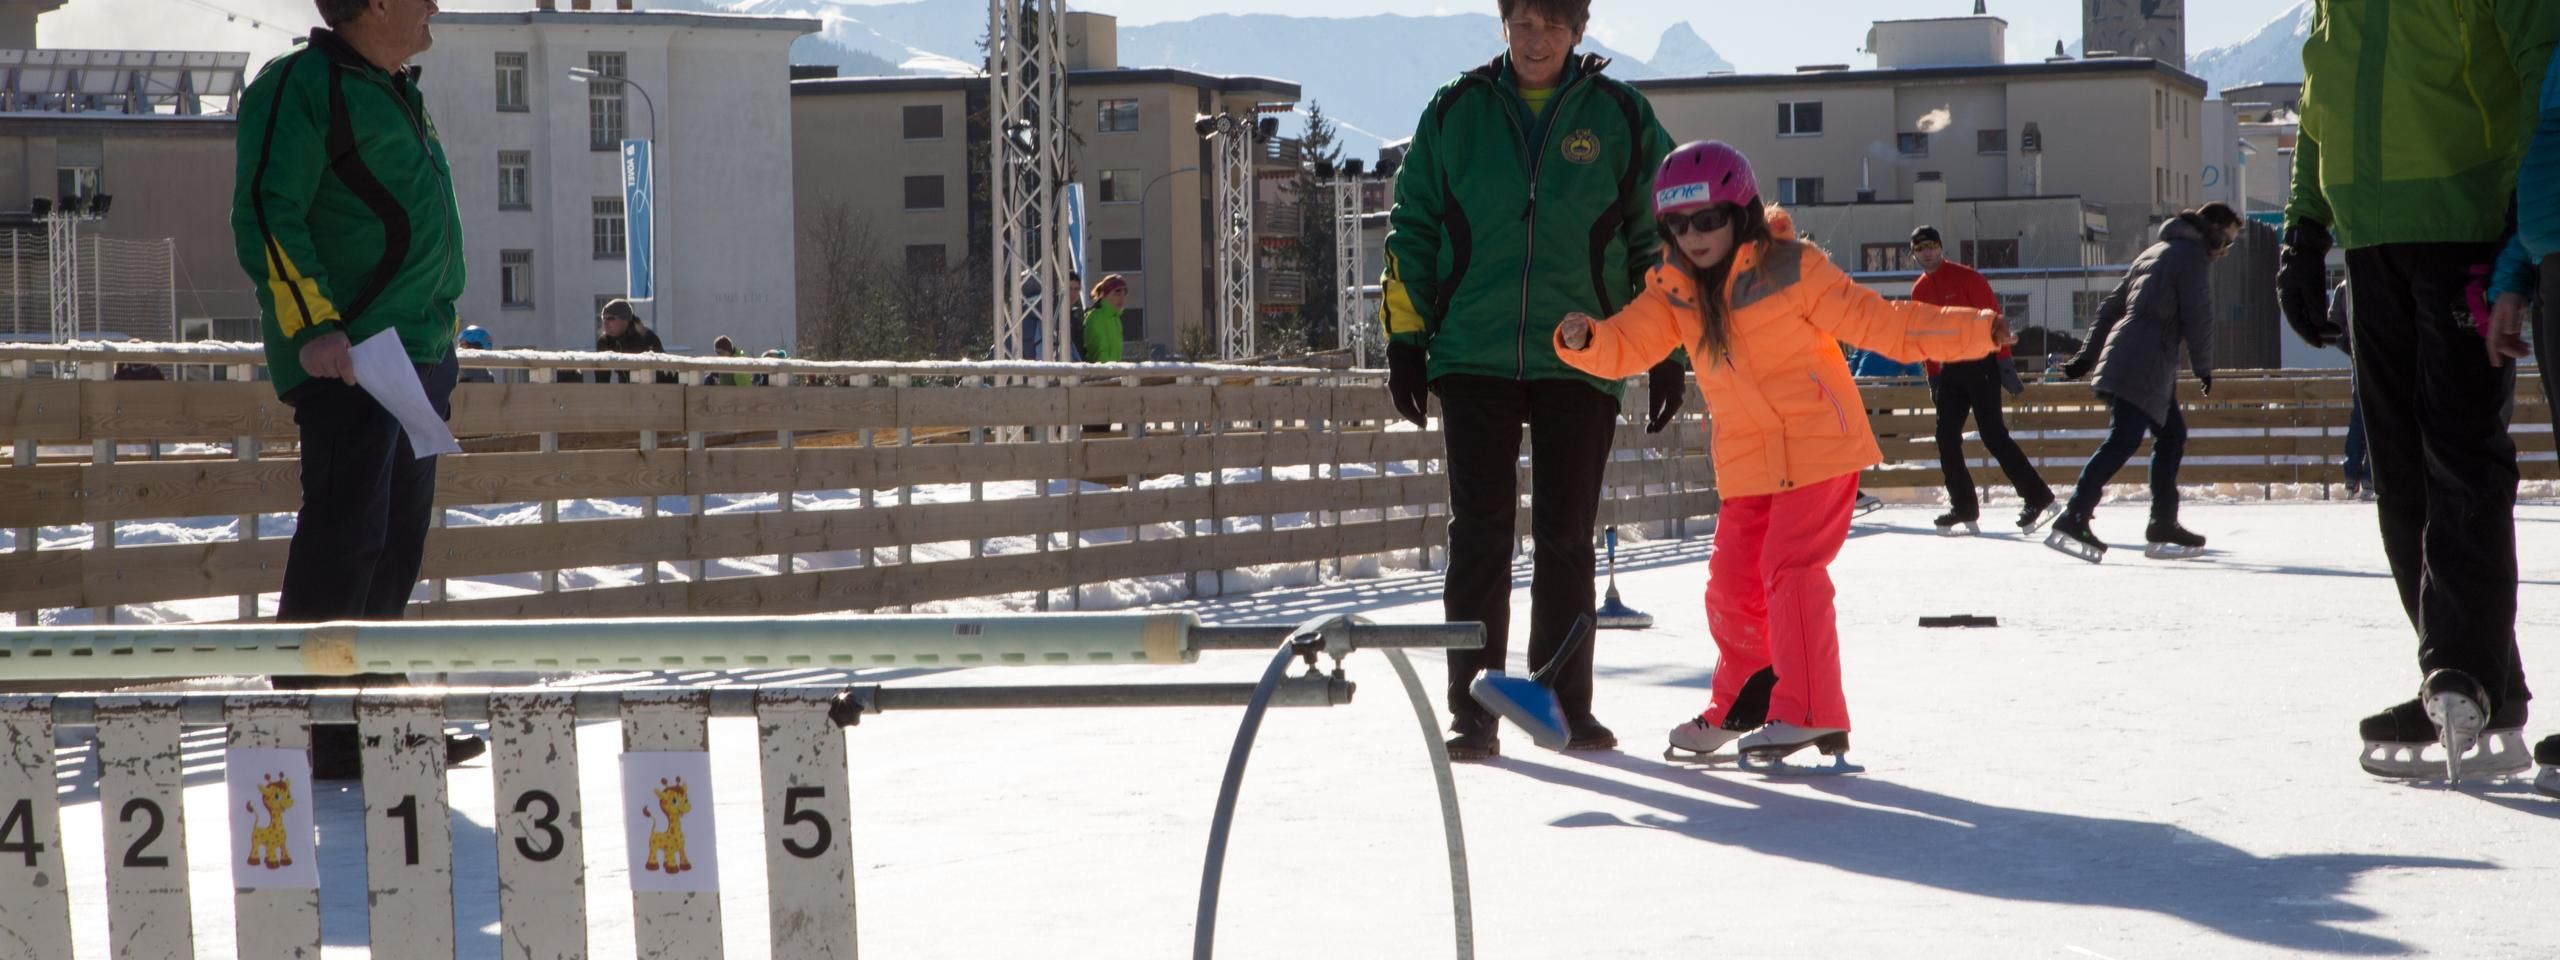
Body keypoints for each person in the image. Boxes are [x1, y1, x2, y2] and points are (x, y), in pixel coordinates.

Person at [1556, 141, 2008, 765]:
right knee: (1732, 588)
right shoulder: (1675, 291)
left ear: (1739, 212)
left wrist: (1977, 330)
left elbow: (1887, 325)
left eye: (1708, 219)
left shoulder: (1795, 268)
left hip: (1820, 447)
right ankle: (1748, 698)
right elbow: (1629, 343)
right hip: (1749, 462)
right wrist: (1586, 339)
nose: (1695, 236)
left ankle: (1812, 711)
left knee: (1791, 572)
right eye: (1679, 224)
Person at [1379, 0, 1676, 759]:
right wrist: (1406, 340)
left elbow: (1661, 234)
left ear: (1579, 30)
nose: (1535, 37)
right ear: (1504, 26)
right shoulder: (1456, 111)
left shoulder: (1621, 115)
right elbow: (1412, 225)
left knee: (1566, 538)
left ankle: (1561, 706)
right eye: (1521, 21)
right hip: (1474, 352)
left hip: (1584, 355)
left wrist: (1668, 344)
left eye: (1551, 22)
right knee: (1478, 536)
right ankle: (1474, 710)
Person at [2281, 0, 2555, 781]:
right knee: (2398, 471)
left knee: (2460, 452)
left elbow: (2542, 60)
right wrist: (2305, 228)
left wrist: (2518, 207)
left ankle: (2461, 672)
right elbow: (2318, 94)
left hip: (2466, 220)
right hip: (2369, 235)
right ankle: (2473, 684)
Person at [230, 0, 481, 780]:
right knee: (345, 542)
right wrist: (315, 327)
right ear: (373, 4)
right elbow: (269, 213)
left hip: (413, 357)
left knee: (394, 547)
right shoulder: (301, 86)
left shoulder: (396, 89)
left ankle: (381, 723)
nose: (435, 5)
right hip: (352, 360)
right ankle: (316, 727)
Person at [2047, 204, 2239, 561]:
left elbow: (2110, 307)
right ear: (2213, 229)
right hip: (2145, 360)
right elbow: (2199, 315)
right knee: (2124, 439)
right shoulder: (2191, 256)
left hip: (2133, 354)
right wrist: (2204, 368)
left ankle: (2163, 521)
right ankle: (2075, 514)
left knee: (2170, 434)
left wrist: (2087, 357)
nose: (2225, 250)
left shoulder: (2154, 252)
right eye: (2227, 240)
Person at [1908, 226, 2056, 536]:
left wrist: (2004, 362)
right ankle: (1963, 506)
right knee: (1945, 436)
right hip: (1950, 369)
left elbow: (1994, 319)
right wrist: (1933, 375)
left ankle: (2038, 496)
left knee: (1993, 434)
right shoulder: (1919, 290)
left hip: (1981, 363)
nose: (1928, 253)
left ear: (1941, 247)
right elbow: (1925, 336)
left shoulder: (1967, 278)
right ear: (1914, 254)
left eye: (1932, 246)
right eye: (1921, 248)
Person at [2328, 282, 2368, 499]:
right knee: (2377, 415)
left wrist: (2350, 349)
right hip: (2378, 354)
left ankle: (2351, 474)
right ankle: (2371, 476)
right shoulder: (2376, 278)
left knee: (2358, 417)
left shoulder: (2343, 287)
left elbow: (2334, 324)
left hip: (2357, 356)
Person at [594, 298, 674, 384]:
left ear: (625, 320)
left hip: (654, 388)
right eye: (603, 319)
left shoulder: (645, 337)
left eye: (610, 319)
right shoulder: (605, 342)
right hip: (626, 389)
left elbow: (664, 371)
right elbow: (601, 378)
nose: (605, 323)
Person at [1084, 274, 1128, 363]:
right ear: (1105, 295)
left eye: (1124, 294)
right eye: (1117, 293)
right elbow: (1098, 351)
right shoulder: (1095, 316)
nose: (1122, 298)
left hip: (1113, 373)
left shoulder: (1116, 319)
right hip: (1099, 374)